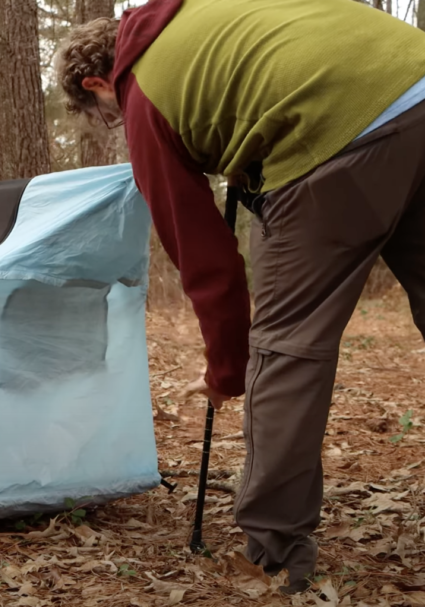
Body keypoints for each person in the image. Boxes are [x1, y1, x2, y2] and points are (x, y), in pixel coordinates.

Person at [55, 0, 425, 595]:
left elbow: (206, 261)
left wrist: (228, 370)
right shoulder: (201, 18)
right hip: (415, 72)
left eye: (105, 114)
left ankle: (275, 547)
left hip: (339, 130)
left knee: (286, 348)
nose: (116, 121)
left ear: (99, 81)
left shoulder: (144, 95)